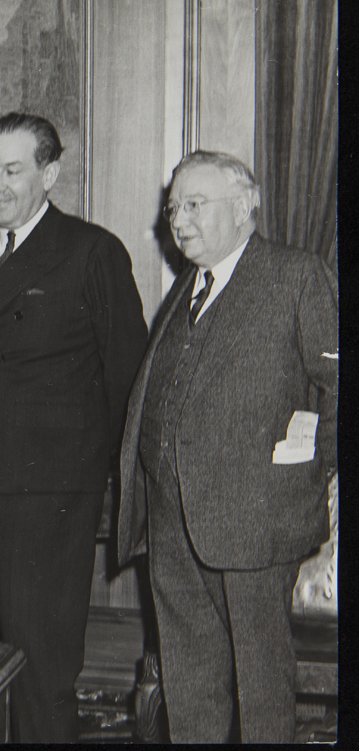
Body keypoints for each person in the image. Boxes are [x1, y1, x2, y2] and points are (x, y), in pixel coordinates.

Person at [0, 112, 148, 742]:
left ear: (49, 174)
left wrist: (84, 473)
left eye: (13, 171)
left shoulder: (90, 251)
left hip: (44, 491)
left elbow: (126, 377)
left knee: (40, 659)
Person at [117, 151, 337, 743]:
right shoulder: (191, 287)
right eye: (172, 208)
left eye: (194, 205)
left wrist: (307, 463)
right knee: (190, 682)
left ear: (243, 207)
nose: (179, 221)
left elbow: (337, 384)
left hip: (255, 523)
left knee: (261, 686)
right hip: (173, 525)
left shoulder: (296, 275)